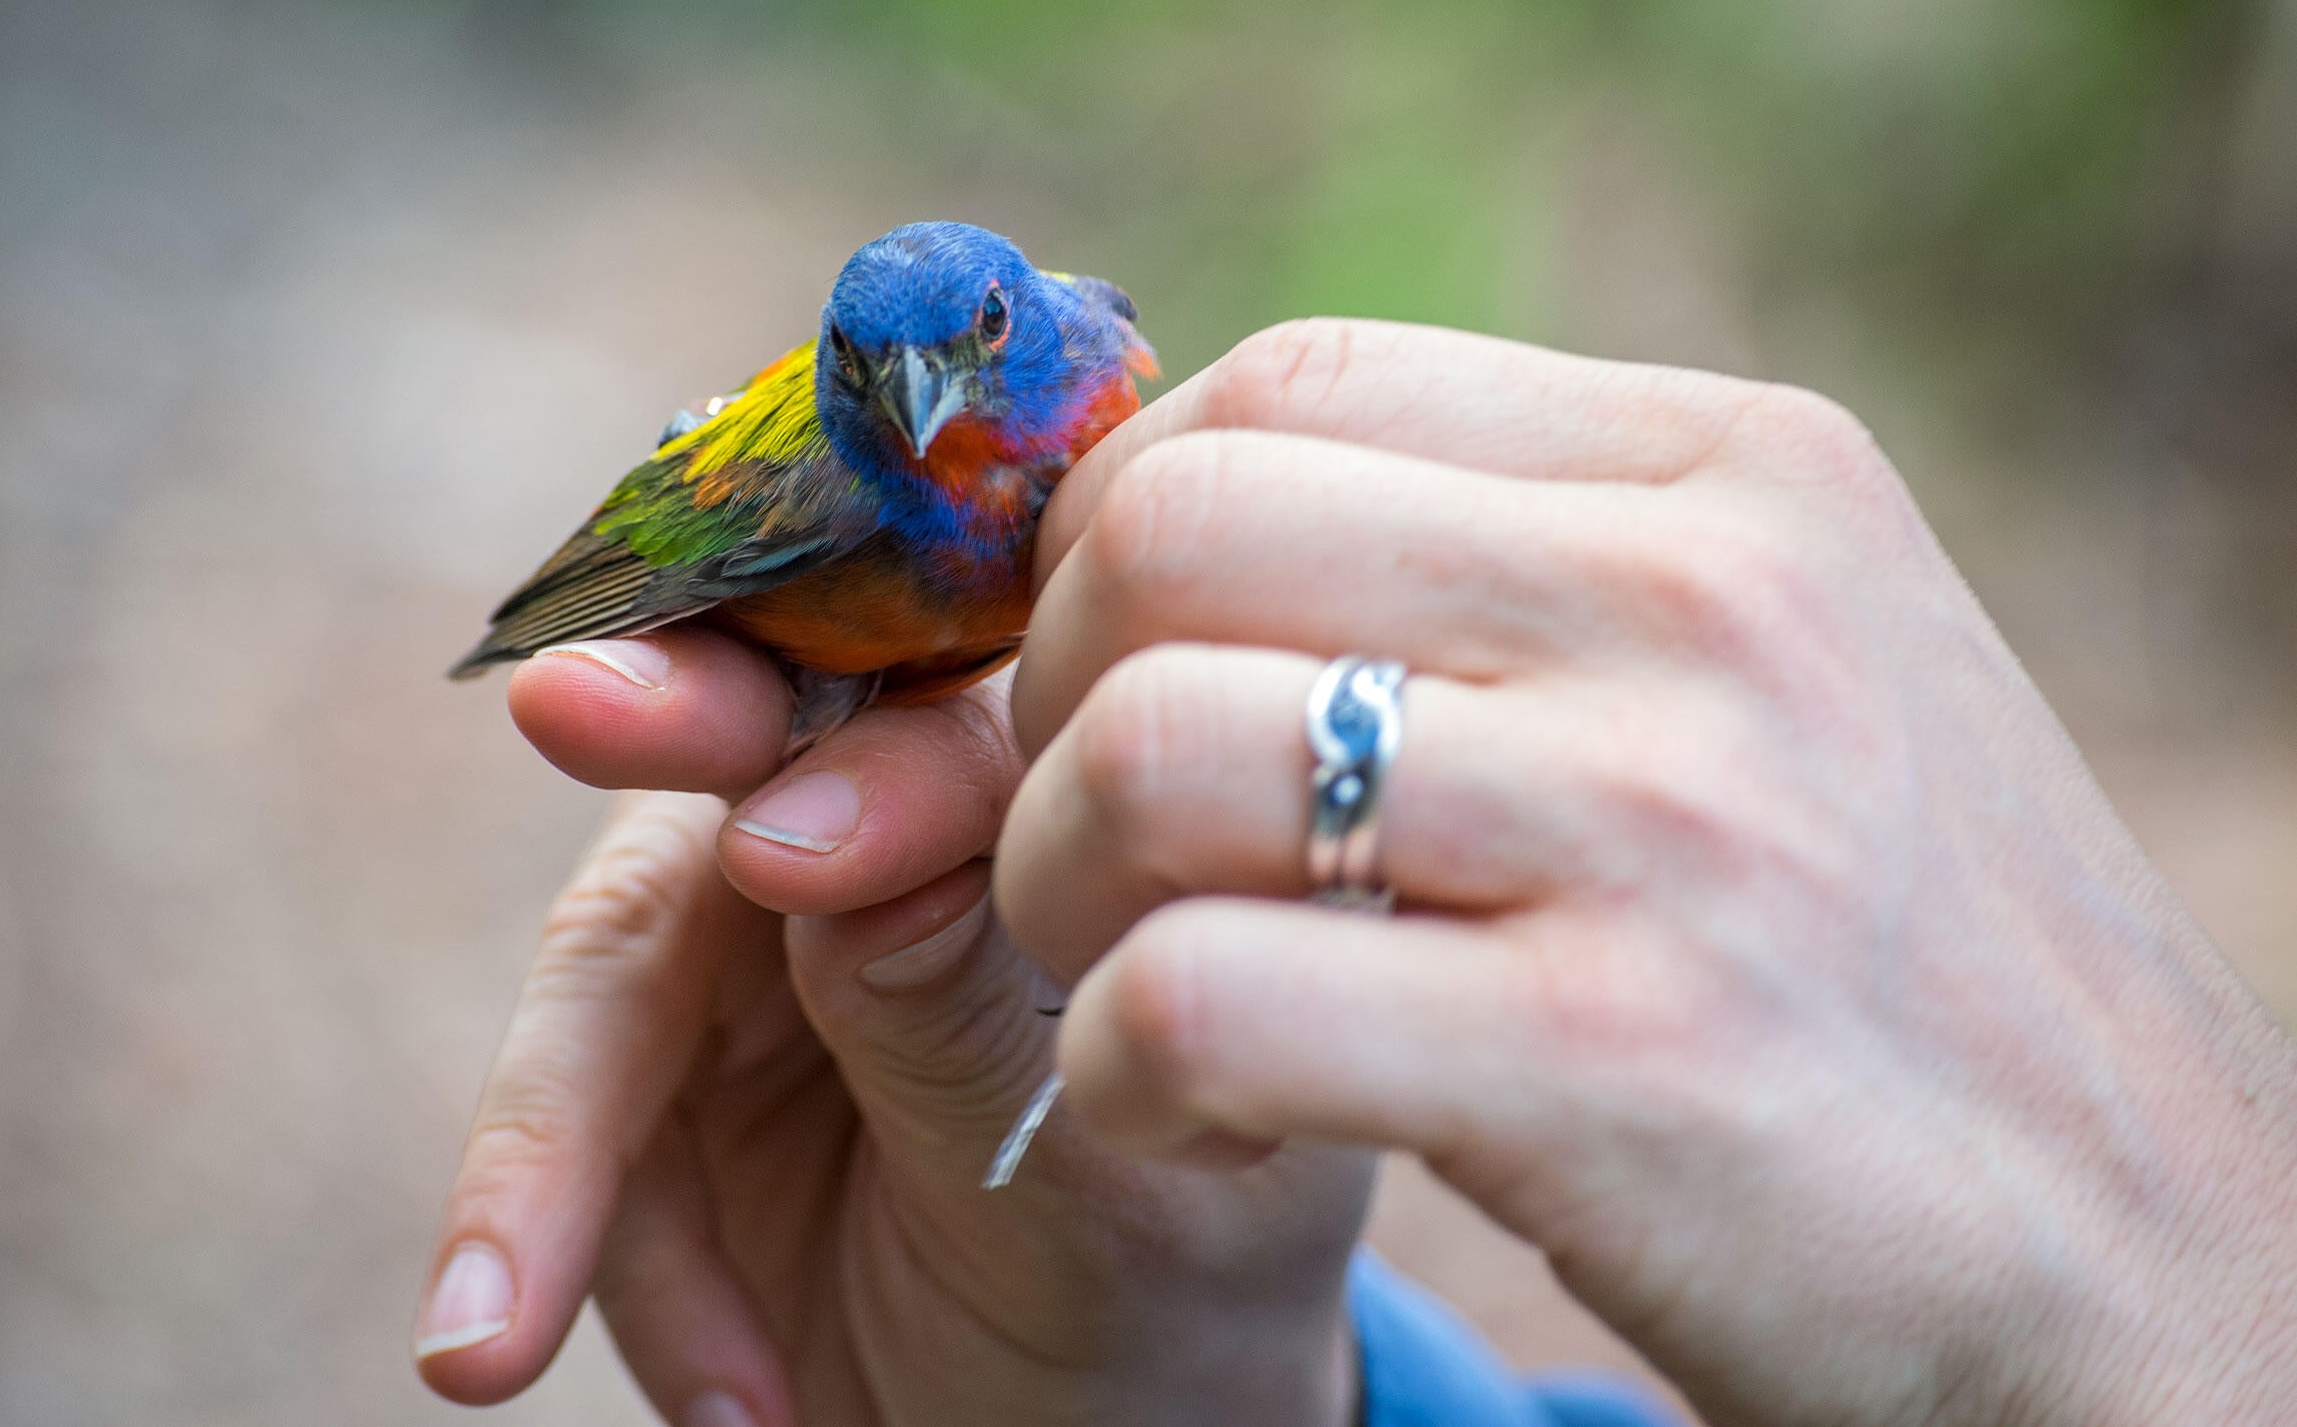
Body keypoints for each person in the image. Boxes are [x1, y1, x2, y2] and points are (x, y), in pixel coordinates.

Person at [412, 321, 2297, 1426]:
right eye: (866, 373)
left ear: (1028, 330)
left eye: (964, 349)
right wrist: (1245, 1381)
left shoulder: (1095, 372)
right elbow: (669, 535)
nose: (914, 401)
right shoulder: (826, 476)